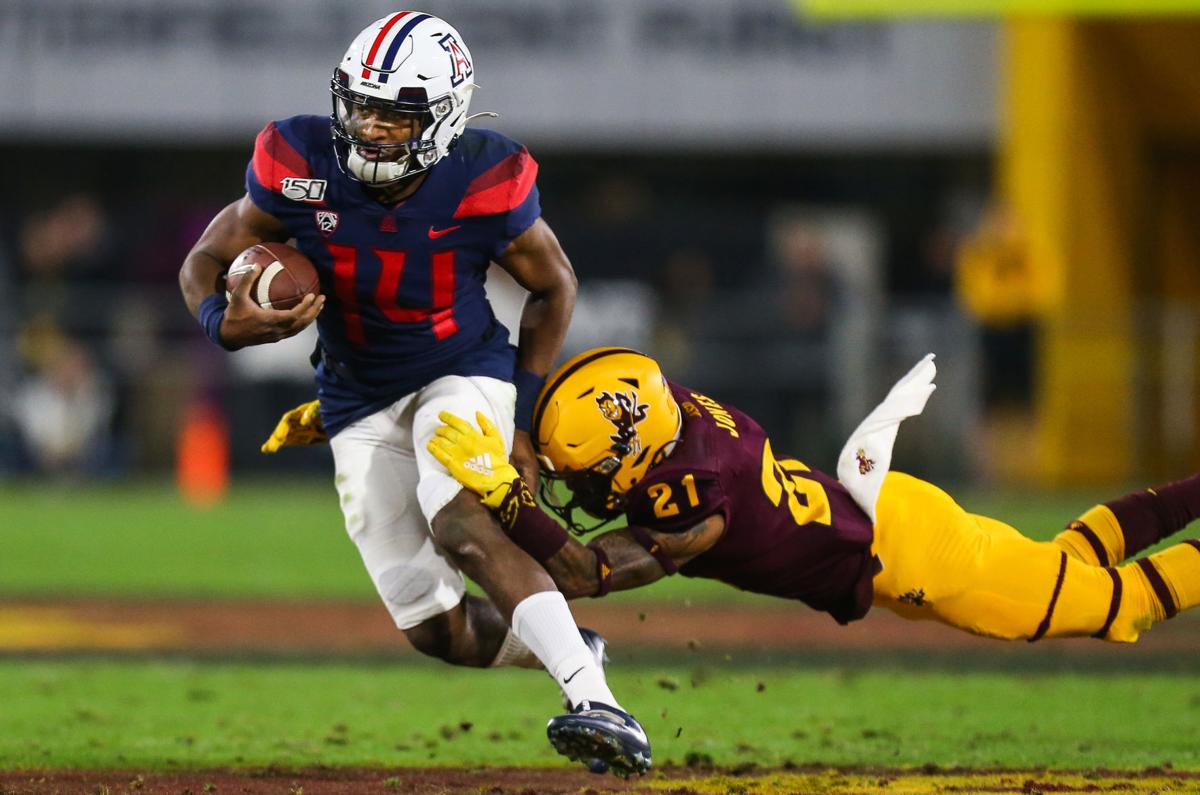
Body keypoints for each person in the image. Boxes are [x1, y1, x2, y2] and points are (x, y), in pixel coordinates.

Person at [178, 13, 648, 776]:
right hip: (355, 399)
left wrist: (524, 417)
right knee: (436, 629)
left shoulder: (488, 176)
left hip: (459, 369)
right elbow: (208, 254)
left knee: (459, 513)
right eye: (360, 104)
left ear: (443, 115)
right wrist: (223, 323)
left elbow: (553, 285)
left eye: (394, 113)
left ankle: (596, 698)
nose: (369, 124)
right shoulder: (297, 158)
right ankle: (568, 644)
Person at [427, 346, 1200, 645]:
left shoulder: (690, 495)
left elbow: (585, 574)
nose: (577, 484)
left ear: (628, 449)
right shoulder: (671, 409)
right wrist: (514, 458)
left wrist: (508, 498)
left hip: (912, 555)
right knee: (1067, 560)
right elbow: (563, 422)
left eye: (586, 470)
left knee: (1117, 603)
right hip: (889, 517)